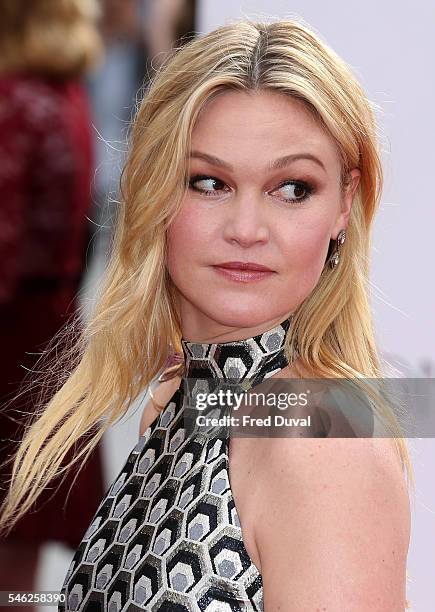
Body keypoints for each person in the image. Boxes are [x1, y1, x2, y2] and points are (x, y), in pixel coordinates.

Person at [0, 17, 412, 611]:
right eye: (210, 182)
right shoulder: (192, 405)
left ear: (344, 204)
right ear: (156, 189)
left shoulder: (319, 440)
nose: (245, 230)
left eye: (292, 188)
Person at [0, 0, 105, 606]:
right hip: (51, 334)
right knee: (21, 554)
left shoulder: (16, 101)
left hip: (12, 339)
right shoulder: (66, 94)